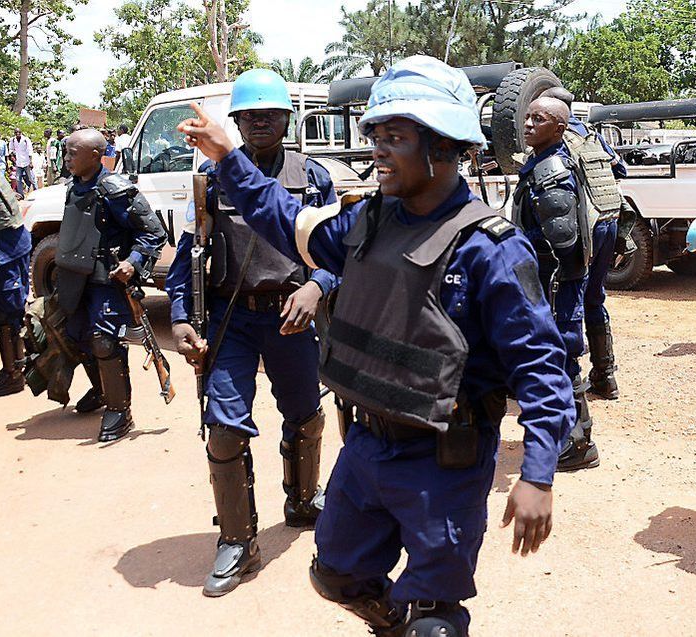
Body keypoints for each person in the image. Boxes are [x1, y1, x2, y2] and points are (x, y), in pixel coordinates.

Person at [178, 55, 574, 637]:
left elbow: (542, 368)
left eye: (396, 137)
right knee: (335, 576)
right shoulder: (365, 223)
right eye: (376, 137)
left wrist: (538, 473)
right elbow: (280, 216)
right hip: (365, 448)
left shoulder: (491, 249)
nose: (379, 150)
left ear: (441, 146)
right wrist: (228, 156)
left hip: (445, 460)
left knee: (434, 622)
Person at [164, 68, 338, 597]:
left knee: (305, 415)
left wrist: (318, 287)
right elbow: (189, 258)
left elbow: (338, 250)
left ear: (288, 117)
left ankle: (303, 500)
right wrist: (178, 317)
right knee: (223, 424)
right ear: (236, 122)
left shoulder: (312, 177)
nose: (261, 121)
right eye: (250, 114)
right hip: (231, 319)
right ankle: (238, 540)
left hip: (292, 315)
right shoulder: (211, 178)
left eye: (271, 113)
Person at [55, 129, 167, 442]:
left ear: (95, 155)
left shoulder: (115, 190)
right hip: (76, 278)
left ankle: (120, 409)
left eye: (72, 153)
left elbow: (154, 234)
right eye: (66, 152)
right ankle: (103, 390)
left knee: (104, 341)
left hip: (108, 280)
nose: (67, 158)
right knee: (77, 336)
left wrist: (133, 262)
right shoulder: (72, 187)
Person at [513, 95, 600, 473]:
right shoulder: (538, 163)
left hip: (556, 283)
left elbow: (563, 243)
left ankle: (579, 443)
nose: (528, 124)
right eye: (527, 116)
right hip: (549, 280)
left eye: (539, 119)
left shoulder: (551, 172)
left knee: (562, 354)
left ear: (560, 128)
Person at [540, 86, 626, 400]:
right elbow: (620, 169)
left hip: (583, 228)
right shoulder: (591, 134)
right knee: (595, 297)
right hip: (609, 223)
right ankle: (605, 376)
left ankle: (569, 384)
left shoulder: (559, 139)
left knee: (568, 298)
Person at [0, 152, 32, 399]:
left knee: (7, 312)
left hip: (4, 247)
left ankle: (13, 374)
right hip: (13, 242)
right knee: (11, 309)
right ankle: (17, 369)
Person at [8, 128, 35, 195]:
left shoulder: (26, 139)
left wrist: (31, 162)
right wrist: (12, 156)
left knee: (31, 178)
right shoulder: (13, 140)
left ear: (21, 132)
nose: (17, 133)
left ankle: (36, 191)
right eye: (16, 132)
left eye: (19, 132)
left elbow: (30, 150)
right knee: (18, 179)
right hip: (18, 163)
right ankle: (21, 195)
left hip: (26, 162)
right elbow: (11, 149)